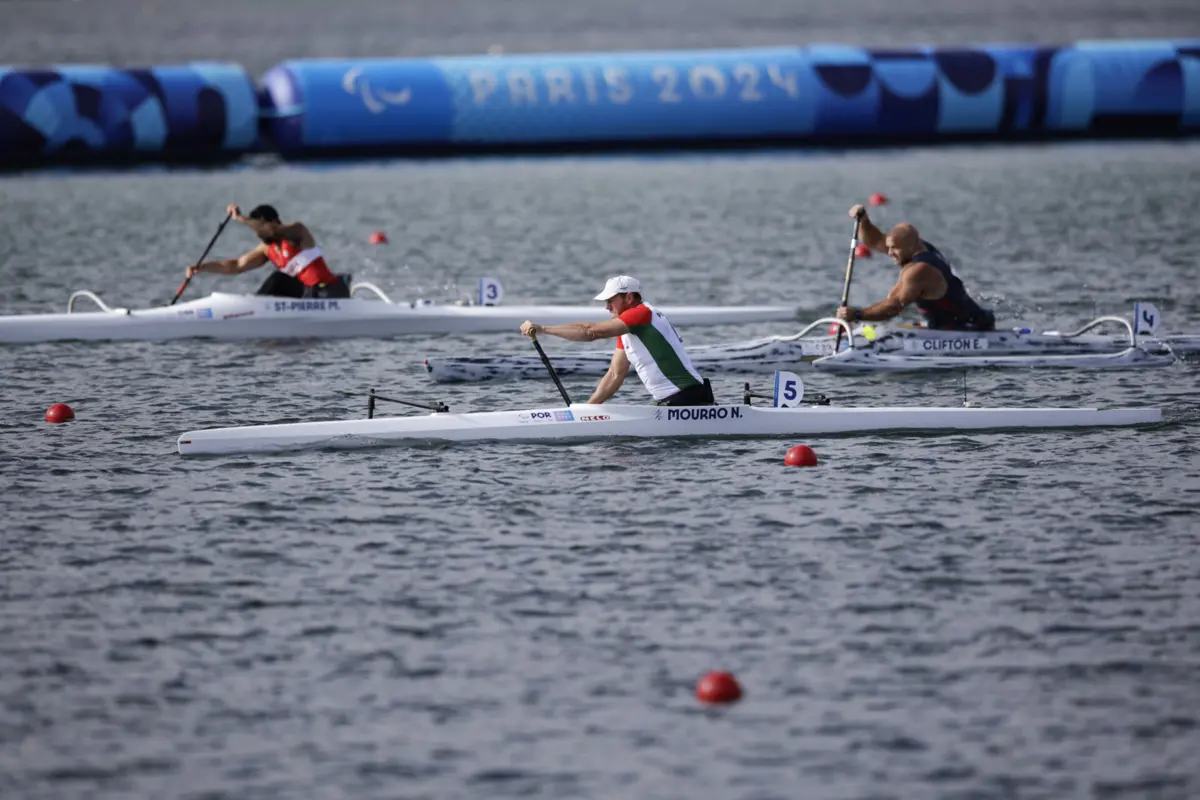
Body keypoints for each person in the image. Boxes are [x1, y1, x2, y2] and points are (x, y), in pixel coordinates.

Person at [519, 275, 715, 406]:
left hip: (688, 398)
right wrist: (588, 410)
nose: (607, 307)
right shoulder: (629, 329)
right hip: (672, 401)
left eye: (610, 301)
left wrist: (544, 329)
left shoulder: (641, 314)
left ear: (629, 297)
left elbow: (591, 332)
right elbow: (615, 374)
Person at [835, 204, 995, 331]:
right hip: (946, 326)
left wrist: (857, 314)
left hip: (968, 328)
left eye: (894, 249)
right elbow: (875, 241)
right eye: (889, 248)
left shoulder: (919, 270)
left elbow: (893, 307)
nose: (889, 253)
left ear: (911, 246)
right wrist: (863, 220)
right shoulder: (916, 247)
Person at [185, 203, 350, 299]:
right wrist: (201, 267)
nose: (258, 234)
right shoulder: (267, 250)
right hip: (305, 297)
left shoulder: (297, 232)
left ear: (275, 221)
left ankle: (254, 310)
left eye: (260, 226)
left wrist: (240, 218)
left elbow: (268, 231)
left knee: (278, 279)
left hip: (328, 293)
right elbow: (235, 265)